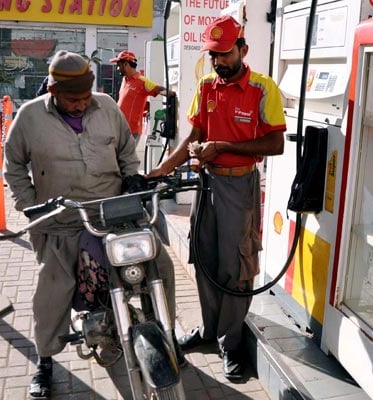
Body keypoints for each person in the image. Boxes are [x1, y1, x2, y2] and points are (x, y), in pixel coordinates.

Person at [3, 50, 180, 399]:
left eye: (86, 97)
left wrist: (131, 178)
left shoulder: (107, 107)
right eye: (73, 99)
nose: (82, 104)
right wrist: (31, 208)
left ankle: (167, 338)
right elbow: (13, 167)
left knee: (161, 266)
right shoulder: (30, 117)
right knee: (51, 291)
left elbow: (127, 151)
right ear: (53, 91)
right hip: (61, 220)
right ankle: (45, 359)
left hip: (115, 213)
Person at [147, 15, 286, 381]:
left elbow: (276, 144)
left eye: (224, 55)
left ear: (242, 49)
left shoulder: (263, 88)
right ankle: (209, 332)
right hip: (206, 184)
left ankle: (232, 342)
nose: (218, 62)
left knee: (236, 267)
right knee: (205, 258)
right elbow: (194, 131)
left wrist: (224, 146)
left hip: (240, 187)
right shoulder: (207, 85)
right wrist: (164, 167)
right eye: (213, 56)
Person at [110, 50, 170, 138]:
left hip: (131, 131)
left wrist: (172, 94)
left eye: (118, 65)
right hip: (120, 129)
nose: (117, 68)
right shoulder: (125, 80)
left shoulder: (142, 81)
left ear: (126, 64)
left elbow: (159, 89)